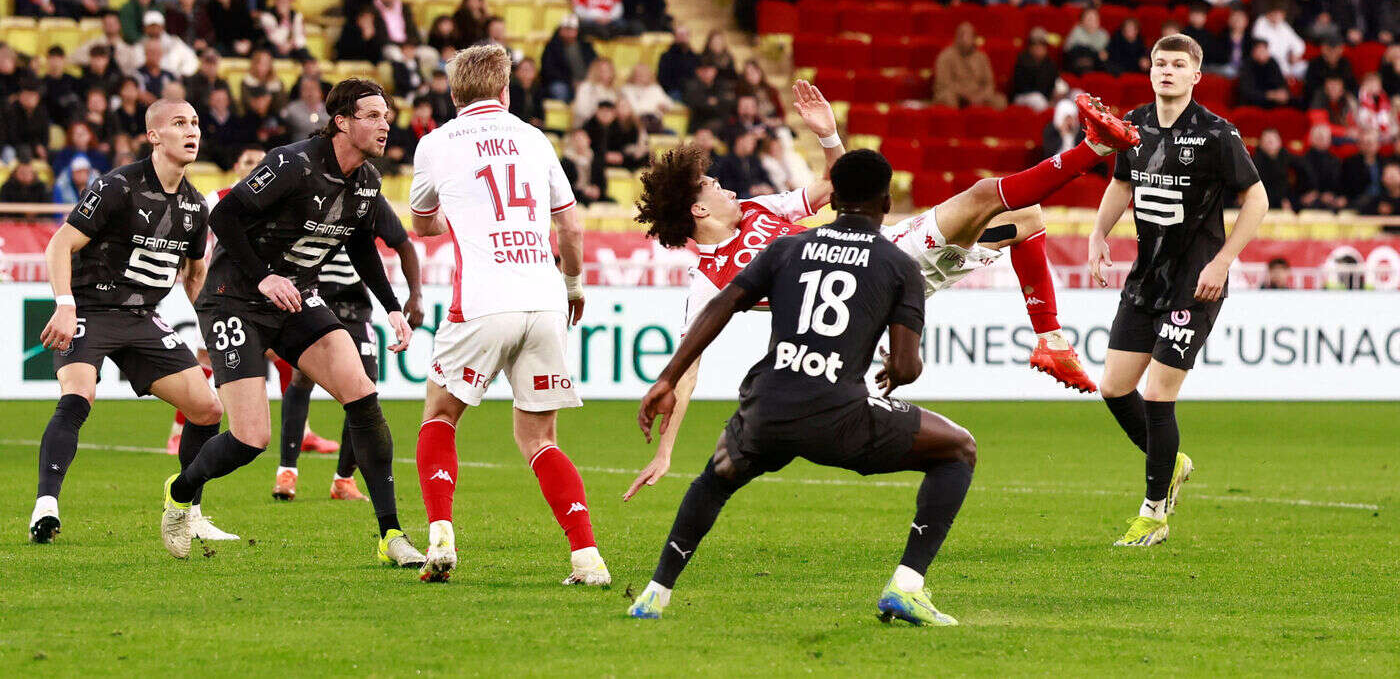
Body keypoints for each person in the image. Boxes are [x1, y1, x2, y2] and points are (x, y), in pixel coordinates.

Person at [624, 83, 1140, 501]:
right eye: (714, 187)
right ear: (698, 210)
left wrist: (829, 137)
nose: (728, 188)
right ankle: (1093, 148)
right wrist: (665, 451)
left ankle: (1051, 339)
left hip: (878, 249)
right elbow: (687, 371)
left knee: (1024, 218)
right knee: (989, 195)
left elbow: (836, 188)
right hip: (871, 279)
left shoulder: (762, 210)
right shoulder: (710, 277)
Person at [627, 148, 974, 624]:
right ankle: (907, 585)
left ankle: (655, 592)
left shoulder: (786, 247)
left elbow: (722, 307)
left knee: (716, 477)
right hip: (840, 413)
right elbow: (909, 368)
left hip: (767, 406)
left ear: (835, 198)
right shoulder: (898, 266)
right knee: (959, 449)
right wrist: (896, 369)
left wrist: (666, 378)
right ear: (886, 203)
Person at [166, 79, 423, 566]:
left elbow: (360, 245)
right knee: (250, 439)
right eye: (372, 115)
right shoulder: (292, 162)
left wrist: (391, 306)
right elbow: (223, 217)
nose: (384, 124)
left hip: (296, 297)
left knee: (363, 396)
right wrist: (262, 277)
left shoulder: (367, 179)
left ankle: (391, 535)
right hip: (234, 298)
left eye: (386, 116)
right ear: (342, 121)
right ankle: (180, 493)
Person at [408, 44, 608, 586]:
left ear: (453, 95)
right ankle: (587, 558)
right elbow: (570, 228)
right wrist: (573, 284)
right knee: (541, 438)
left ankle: (441, 536)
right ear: (505, 90)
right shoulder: (534, 137)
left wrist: (464, 214)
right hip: (544, 297)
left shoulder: (436, 143)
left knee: (440, 415)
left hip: (481, 301)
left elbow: (422, 225)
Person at [1088, 34, 1268, 548]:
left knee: (1158, 394)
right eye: (1159, 63)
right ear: (1150, 72)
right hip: (1147, 279)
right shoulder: (1135, 124)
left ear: (1195, 76)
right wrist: (1099, 233)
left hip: (1196, 284)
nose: (1166, 71)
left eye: (1177, 65)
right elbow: (1122, 182)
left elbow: (1257, 199)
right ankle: (1172, 461)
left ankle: (1153, 514)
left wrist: (1223, 261)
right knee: (1114, 388)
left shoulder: (1216, 133)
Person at [30, 99, 236, 546]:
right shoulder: (119, 186)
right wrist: (65, 304)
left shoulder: (195, 206)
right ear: (154, 136)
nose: (192, 131)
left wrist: (212, 328)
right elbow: (59, 245)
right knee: (79, 395)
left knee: (208, 410)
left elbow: (195, 273)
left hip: (143, 319)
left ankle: (189, 511)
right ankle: (46, 506)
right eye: (180, 123)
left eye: (196, 123)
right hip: (90, 309)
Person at [273, 194, 424, 501]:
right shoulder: (305, 188)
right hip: (311, 299)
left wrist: (415, 295)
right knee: (302, 377)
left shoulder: (366, 195)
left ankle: (343, 480)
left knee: (364, 387)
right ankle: (286, 472)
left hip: (355, 307)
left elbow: (403, 244)